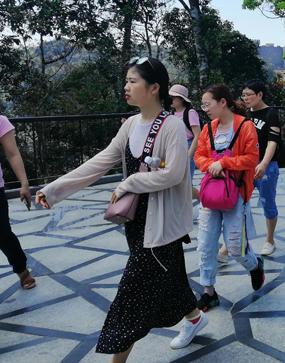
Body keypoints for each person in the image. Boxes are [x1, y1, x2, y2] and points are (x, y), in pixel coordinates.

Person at [35, 57, 207, 360]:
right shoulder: (130, 125)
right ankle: (195, 318)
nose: (126, 86)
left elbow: (175, 174)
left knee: (130, 299)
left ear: (154, 88)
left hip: (162, 226)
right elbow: (101, 161)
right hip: (135, 222)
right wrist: (54, 190)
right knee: (171, 279)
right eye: (126, 81)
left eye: (132, 81)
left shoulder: (172, 126)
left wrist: (128, 183)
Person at [194, 84, 265, 313]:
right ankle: (209, 293)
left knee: (235, 248)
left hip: (236, 195)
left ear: (222, 102)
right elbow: (199, 156)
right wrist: (211, 166)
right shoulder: (208, 129)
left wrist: (223, 163)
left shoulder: (245, 126)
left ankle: (255, 266)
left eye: (208, 104)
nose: (205, 109)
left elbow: (252, 158)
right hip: (211, 194)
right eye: (203, 105)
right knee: (205, 245)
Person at [218, 80, 282, 260]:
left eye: (249, 94)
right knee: (238, 203)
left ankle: (270, 240)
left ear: (260, 95)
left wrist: (263, 163)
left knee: (268, 203)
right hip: (245, 165)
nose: (245, 98)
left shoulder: (271, 114)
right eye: (243, 95)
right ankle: (227, 246)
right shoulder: (244, 114)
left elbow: (273, 142)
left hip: (266, 166)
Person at [0, 115, 35, 290]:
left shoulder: (0, 121)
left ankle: (21, 270)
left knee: (3, 234)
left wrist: (24, 183)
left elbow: (12, 153)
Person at [169, 85, 202, 200]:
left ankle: (202, 198)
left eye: (174, 97)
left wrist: (189, 154)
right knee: (177, 181)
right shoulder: (171, 114)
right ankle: (202, 198)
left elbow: (197, 134)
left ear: (181, 99)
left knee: (185, 182)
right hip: (175, 147)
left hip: (188, 146)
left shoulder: (190, 113)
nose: (171, 99)